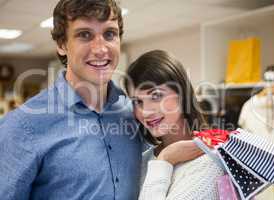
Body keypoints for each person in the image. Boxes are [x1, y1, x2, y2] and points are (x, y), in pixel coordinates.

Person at [0, 0, 142, 199]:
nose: (101, 49)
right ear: (61, 45)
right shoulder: (22, 126)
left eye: (109, 34)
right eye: (85, 35)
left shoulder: (134, 113)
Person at [124, 50, 224, 200]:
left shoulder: (210, 161)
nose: (145, 112)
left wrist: (165, 159)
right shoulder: (143, 160)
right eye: (137, 102)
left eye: (156, 96)